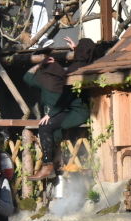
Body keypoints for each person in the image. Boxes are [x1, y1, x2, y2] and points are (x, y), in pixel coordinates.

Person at [24, 37, 95, 181]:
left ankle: (48, 166)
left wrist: (51, 114)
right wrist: (78, 50)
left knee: (45, 126)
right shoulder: (90, 65)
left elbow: (65, 98)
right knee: (52, 125)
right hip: (80, 111)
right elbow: (84, 58)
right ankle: (52, 164)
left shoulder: (73, 70)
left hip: (76, 112)